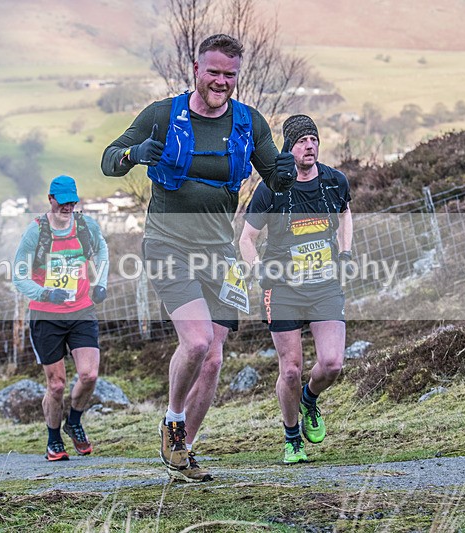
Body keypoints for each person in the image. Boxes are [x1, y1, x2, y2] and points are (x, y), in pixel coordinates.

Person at [101, 34, 297, 482]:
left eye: (230, 74)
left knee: (213, 359)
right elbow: (109, 159)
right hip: (168, 244)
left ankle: (183, 453)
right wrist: (135, 154)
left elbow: (276, 178)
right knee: (195, 342)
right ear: (196, 67)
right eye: (214, 72)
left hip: (219, 253)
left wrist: (285, 175)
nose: (221, 81)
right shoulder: (161, 115)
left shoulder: (249, 122)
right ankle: (171, 423)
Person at [239, 114, 352, 464]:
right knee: (289, 369)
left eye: (314, 139)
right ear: (290, 147)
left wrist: (346, 252)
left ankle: (309, 398)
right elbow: (247, 238)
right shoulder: (272, 187)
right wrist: (258, 270)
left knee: (332, 363)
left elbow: (345, 215)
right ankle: (291, 438)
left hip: (324, 287)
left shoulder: (334, 182)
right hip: (283, 289)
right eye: (302, 140)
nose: (310, 145)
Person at [12, 175, 109, 461]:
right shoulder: (36, 233)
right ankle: (53, 439)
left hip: (81, 310)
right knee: (56, 386)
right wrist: (44, 293)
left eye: (72, 202)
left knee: (89, 375)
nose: (68, 207)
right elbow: (18, 275)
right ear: (51, 199)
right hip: (46, 316)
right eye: (63, 202)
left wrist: (100, 283)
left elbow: (102, 251)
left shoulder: (85, 226)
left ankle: (74, 421)